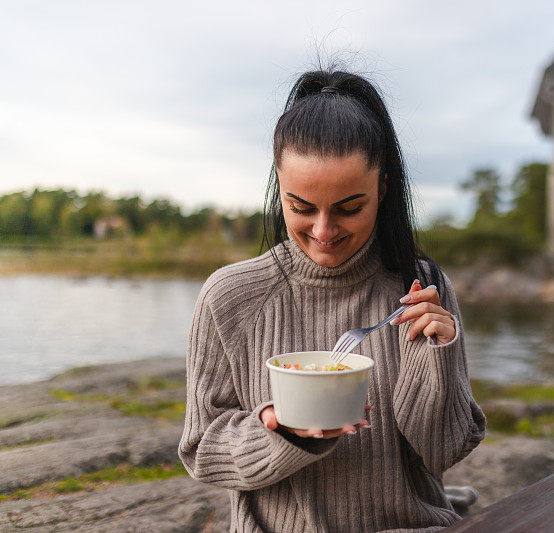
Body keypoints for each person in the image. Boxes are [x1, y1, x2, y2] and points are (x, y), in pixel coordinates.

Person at [178, 68, 486, 532]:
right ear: (278, 189)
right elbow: (202, 450)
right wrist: (279, 432)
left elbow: (445, 451)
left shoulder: (419, 286)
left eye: (348, 208)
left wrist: (434, 357)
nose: (323, 231)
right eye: (301, 207)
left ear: (382, 190)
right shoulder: (229, 298)